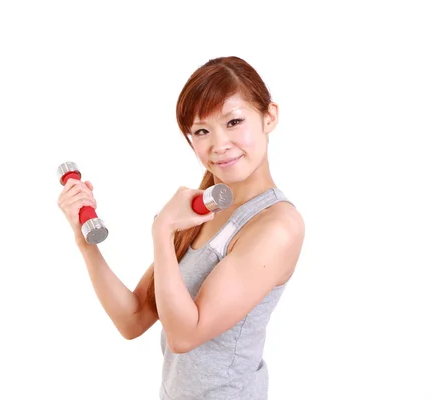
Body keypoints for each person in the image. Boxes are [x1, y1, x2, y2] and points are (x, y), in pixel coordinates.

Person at [56, 56, 305, 399]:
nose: (219, 144)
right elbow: (133, 318)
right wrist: (85, 243)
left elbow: (185, 335)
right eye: (203, 131)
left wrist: (162, 231)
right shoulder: (201, 210)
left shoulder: (276, 226)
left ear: (269, 117)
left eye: (234, 121)